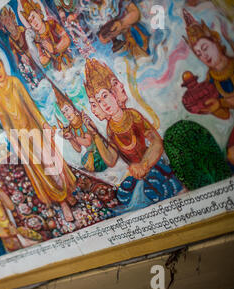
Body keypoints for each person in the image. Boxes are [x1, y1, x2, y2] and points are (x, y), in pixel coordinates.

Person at [0, 50, 77, 221]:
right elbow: (6, 124)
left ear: (3, 65)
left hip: (35, 129)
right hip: (22, 139)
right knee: (42, 170)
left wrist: (43, 123)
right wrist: (15, 144)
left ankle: (66, 191)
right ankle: (62, 201)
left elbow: (30, 106)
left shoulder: (15, 83)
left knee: (52, 162)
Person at [83, 58, 182, 206]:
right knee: (123, 194)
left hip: (151, 163)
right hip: (136, 172)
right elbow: (110, 159)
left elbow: (156, 142)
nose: (104, 104)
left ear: (115, 93)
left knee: (155, 187)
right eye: (98, 102)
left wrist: (144, 165)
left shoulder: (132, 116)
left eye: (105, 96)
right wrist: (95, 134)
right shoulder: (110, 128)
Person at [181, 9, 234, 165]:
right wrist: (209, 108)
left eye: (205, 48)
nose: (204, 56)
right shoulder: (210, 81)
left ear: (216, 41)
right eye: (198, 54)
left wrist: (221, 103)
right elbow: (225, 115)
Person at [53, 87, 107, 172]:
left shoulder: (83, 119)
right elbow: (78, 149)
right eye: (63, 112)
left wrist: (74, 137)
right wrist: (70, 139)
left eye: (67, 109)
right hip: (90, 154)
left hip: (100, 151)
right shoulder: (70, 128)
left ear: (72, 108)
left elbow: (88, 142)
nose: (66, 114)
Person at [20, 0, 72, 71]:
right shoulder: (37, 38)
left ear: (39, 13)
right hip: (58, 69)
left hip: (68, 59)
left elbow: (66, 39)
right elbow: (43, 60)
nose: (34, 22)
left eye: (33, 17)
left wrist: (54, 49)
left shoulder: (52, 24)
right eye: (30, 21)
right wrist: (46, 56)